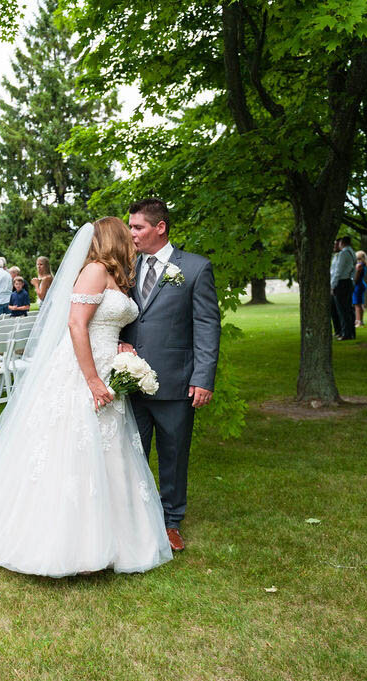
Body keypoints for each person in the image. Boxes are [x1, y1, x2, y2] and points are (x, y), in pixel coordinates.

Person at [0, 217, 172, 577]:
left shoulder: (116, 275)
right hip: (82, 371)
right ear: (115, 238)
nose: (133, 239)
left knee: (110, 451)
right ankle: (72, 543)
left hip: (109, 366)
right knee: (73, 447)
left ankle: (119, 540)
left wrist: (119, 346)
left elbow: (106, 322)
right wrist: (91, 379)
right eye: (128, 233)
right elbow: (76, 324)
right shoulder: (94, 270)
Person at [120, 198, 221, 552]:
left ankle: (170, 521)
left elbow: (207, 326)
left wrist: (203, 378)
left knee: (174, 453)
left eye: (138, 227)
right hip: (129, 382)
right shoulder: (125, 268)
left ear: (160, 227)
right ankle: (132, 516)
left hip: (177, 381)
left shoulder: (194, 268)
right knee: (130, 452)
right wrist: (118, 345)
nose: (131, 233)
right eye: (130, 227)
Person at [331, 236, 357, 340]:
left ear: (342, 242)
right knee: (348, 309)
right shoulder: (352, 253)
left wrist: (332, 285)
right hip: (348, 281)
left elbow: (338, 271)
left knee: (343, 310)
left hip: (342, 282)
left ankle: (346, 333)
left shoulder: (343, 254)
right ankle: (350, 332)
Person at [353, 251, 367, 328]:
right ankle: (359, 320)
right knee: (360, 304)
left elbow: (356, 277)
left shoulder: (359, 266)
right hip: (361, 285)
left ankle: (359, 321)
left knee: (357, 305)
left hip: (358, 285)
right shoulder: (363, 265)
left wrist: (353, 283)